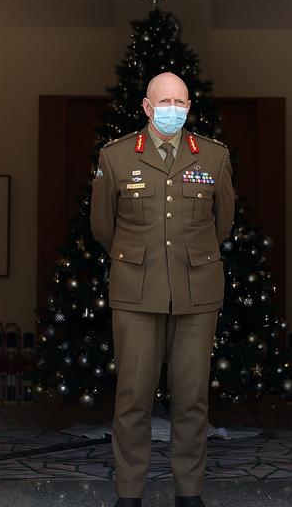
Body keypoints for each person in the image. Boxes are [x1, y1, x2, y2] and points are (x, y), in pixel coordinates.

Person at [90, 72, 235, 507]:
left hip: (197, 293)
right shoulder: (115, 156)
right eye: (164, 101)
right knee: (133, 398)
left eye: (181, 101)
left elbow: (223, 221)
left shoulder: (213, 156)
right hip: (136, 291)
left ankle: (189, 493)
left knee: (192, 398)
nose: (174, 108)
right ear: (147, 108)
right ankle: (129, 493)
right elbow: (102, 226)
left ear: (189, 105)